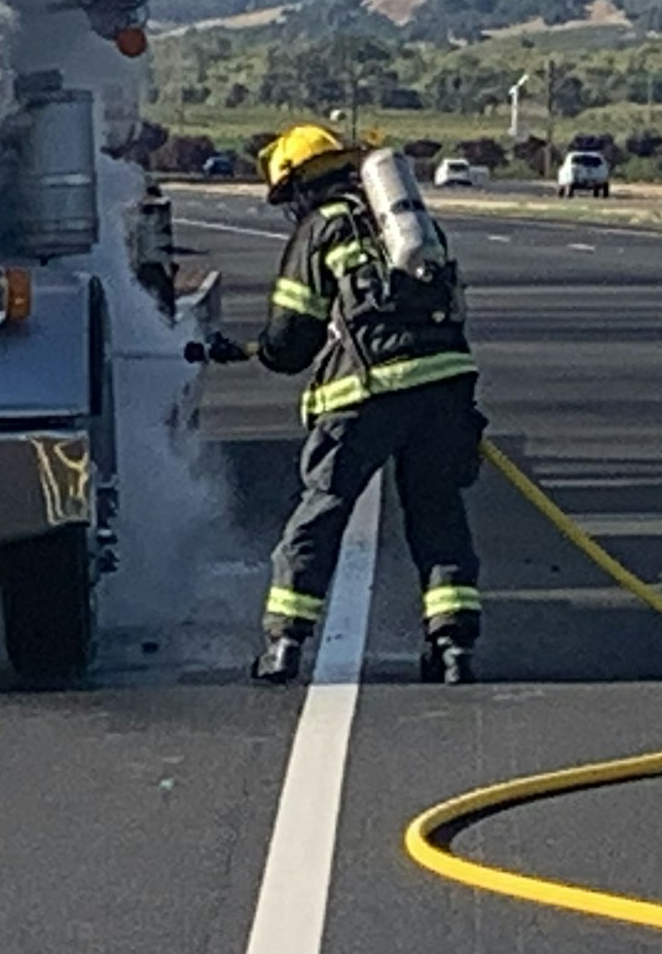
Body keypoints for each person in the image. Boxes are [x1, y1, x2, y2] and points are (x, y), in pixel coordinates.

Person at [208, 124, 486, 686]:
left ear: (301, 187)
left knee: (322, 511)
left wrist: (260, 352)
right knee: (439, 517)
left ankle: (284, 644)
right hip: (446, 388)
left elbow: (292, 341)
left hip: (366, 395)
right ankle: (452, 649)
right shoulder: (411, 225)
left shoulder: (322, 230)